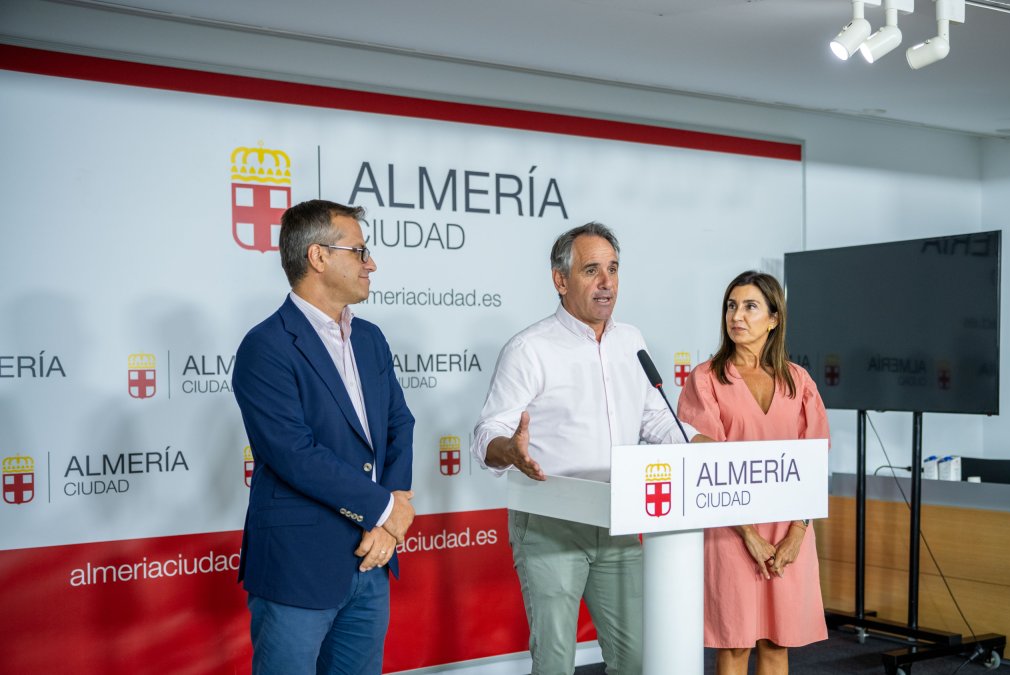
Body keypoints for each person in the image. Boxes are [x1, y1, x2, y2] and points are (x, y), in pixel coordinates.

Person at [471, 222, 704, 675]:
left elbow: (655, 420)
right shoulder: (529, 348)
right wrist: (511, 452)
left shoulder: (631, 340)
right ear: (561, 281)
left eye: (613, 270)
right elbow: (487, 434)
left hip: (619, 518)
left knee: (636, 657)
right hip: (551, 523)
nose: (607, 283)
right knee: (556, 660)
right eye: (592, 270)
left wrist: (701, 444)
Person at [231, 199, 417, 675]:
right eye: (359, 251)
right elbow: (293, 453)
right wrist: (387, 510)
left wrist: (392, 509)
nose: (370, 263)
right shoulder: (266, 346)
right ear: (318, 257)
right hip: (300, 566)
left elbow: (400, 424)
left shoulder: (370, 337)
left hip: (372, 558)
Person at [677, 271, 830, 675]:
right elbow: (703, 466)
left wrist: (797, 534)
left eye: (749, 306)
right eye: (731, 305)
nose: (737, 316)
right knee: (734, 644)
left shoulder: (800, 381)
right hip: (730, 528)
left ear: (774, 318)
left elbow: (815, 464)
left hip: (789, 528)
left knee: (778, 643)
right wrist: (748, 534)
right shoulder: (706, 378)